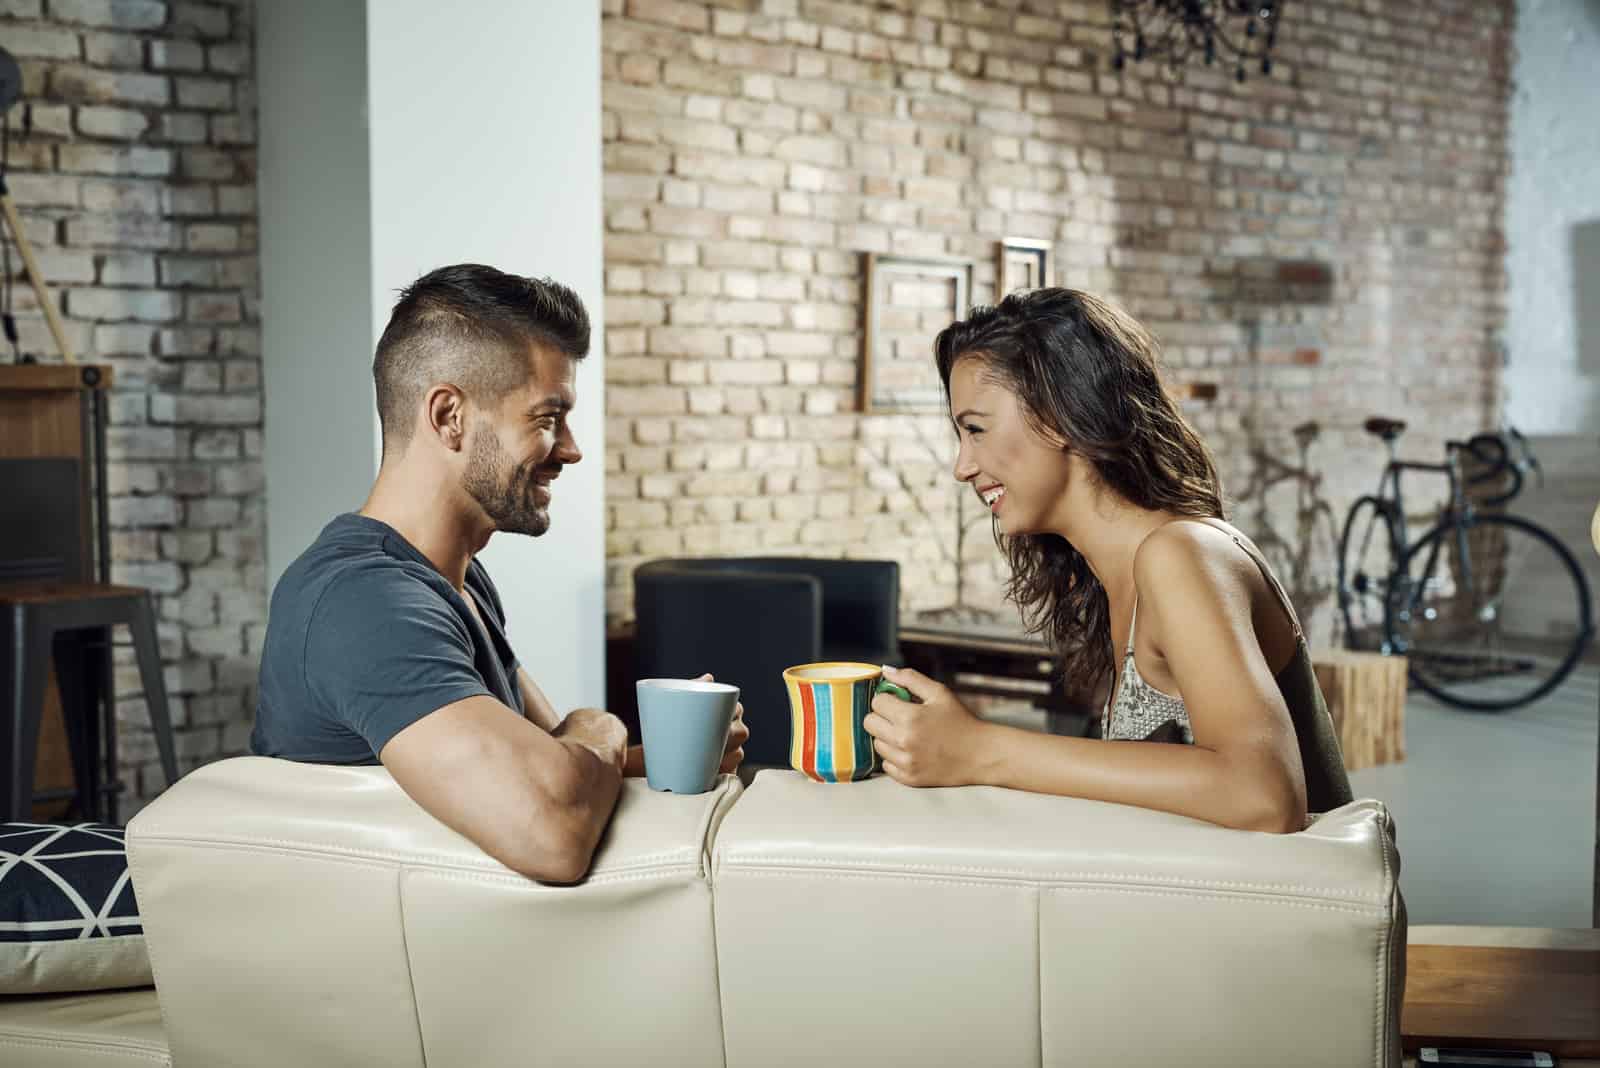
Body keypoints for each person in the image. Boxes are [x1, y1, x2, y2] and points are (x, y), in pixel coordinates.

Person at [252, 264, 746, 880]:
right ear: (449, 417)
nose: (570, 448)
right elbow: (552, 830)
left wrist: (670, 758)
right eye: (546, 418)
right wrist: (604, 721)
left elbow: (555, 759)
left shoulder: (455, 579)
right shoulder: (366, 603)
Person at [864, 288, 1351, 832]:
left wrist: (980, 749)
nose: (962, 466)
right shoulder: (1114, 576)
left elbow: (1263, 795)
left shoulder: (1181, 554)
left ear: (1061, 414)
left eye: (976, 429)